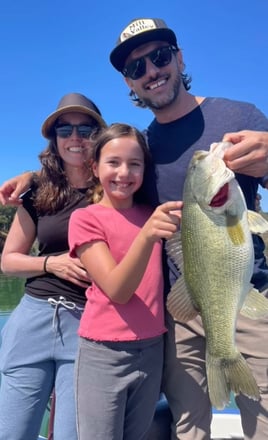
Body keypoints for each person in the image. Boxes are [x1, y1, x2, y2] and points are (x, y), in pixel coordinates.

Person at [108, 18, 268, 440]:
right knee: (188, 423)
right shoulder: (140, 148)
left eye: (159, 57)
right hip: (178, 311)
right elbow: (104, 198)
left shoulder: (241, 115)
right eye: (135, 68)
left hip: (248, 296)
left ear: (179, 59)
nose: (151, 72)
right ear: (130, 83)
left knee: (264, 417)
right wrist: (36, 182)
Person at [0, 92, 106, 440]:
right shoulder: (37, 193)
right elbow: (9, 262)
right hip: (33, 319)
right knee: (11, 432)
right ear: (55, 139)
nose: (75, 138)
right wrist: (51, 264)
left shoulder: (116, 189)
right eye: (65, 129)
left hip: (87, 324)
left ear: (100, 135)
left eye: (86, 129)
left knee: (71, 435)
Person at [68, 122, 181, 440]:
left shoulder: (153, 214)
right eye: (113, 162)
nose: (124, 172)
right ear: (94, 167)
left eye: (135, 164)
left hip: (153, 349)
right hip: (103, 354)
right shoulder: (86, 218)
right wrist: (147, 235)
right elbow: (117, 290)